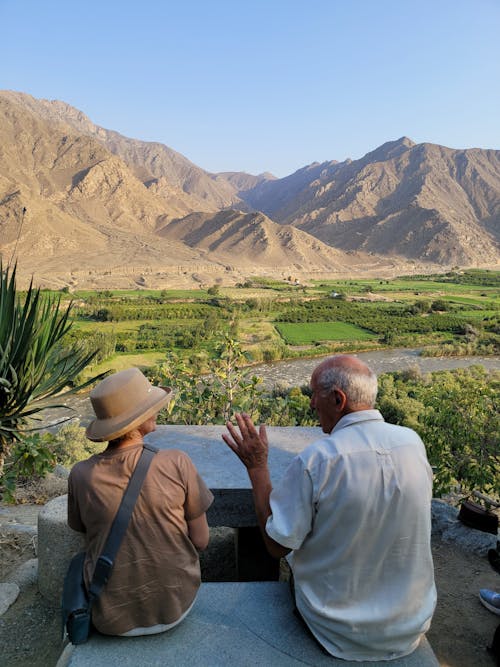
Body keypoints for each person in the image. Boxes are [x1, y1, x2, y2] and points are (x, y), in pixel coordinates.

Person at [223, 355, 436, 661]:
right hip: (409, 625)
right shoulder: (412, 442)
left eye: (314, 395)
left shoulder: (320, 458)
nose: (311, 405)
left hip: (337, 629)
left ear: (338, 399)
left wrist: (257, 467)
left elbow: (275, 545)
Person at [67, 367, 213, 636]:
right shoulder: (177, 461)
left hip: (109, 618)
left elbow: (82, 532)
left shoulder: (80, 474)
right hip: (176, 607)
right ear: (137, 419)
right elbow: (202, 540)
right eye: (150, 406)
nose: (155, 410)